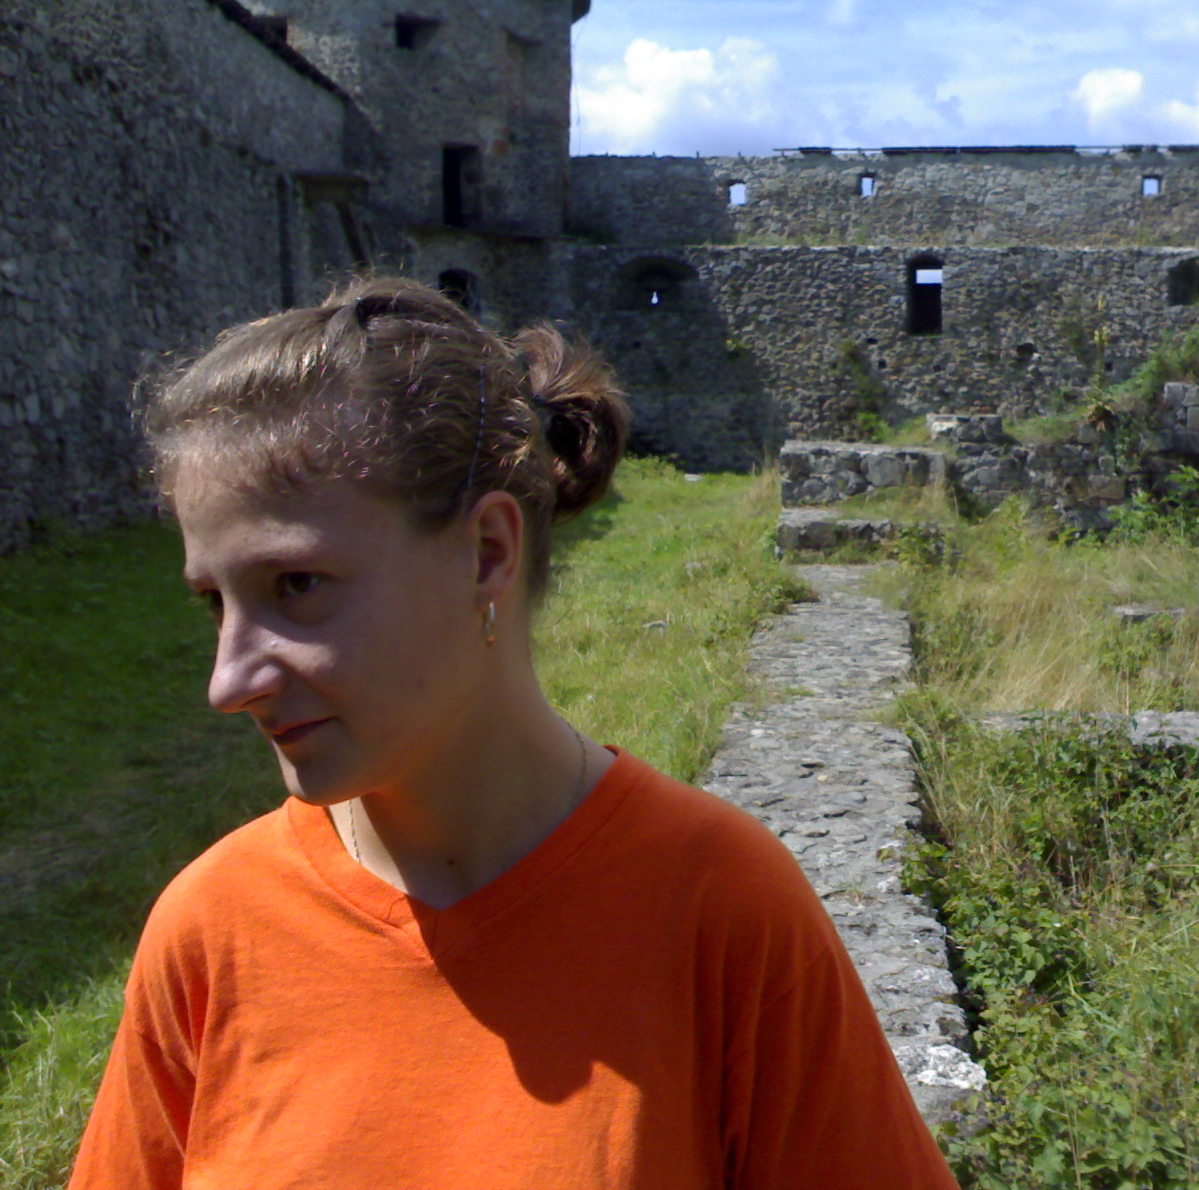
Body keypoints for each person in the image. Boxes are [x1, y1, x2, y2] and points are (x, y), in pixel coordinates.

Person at [67, 278, 960, 1189]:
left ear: (487, 552)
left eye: (295, 586)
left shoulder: (720, 912)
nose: (227, 684)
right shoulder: (210, 932)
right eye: (214, 603)